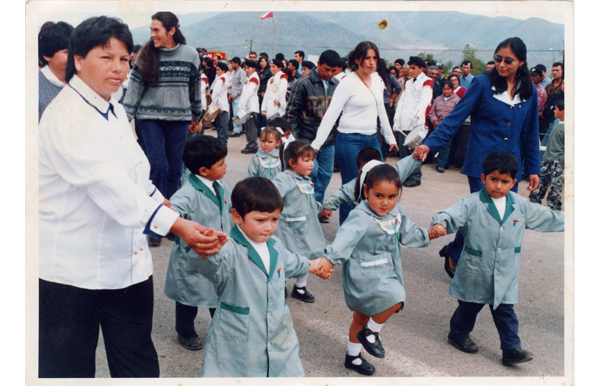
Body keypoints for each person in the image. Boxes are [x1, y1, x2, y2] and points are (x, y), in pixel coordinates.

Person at [38, 16, 226, 378]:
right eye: (105, 57)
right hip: (73, 273)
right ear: (78, 59)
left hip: (125, 266)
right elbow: (108, 184)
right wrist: (176, 224)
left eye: (124, 59)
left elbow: (134, 170)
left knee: (137, 363)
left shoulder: (111, 107)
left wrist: (161, 200)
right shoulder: (67, 116)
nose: (118, 68)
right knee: (68, 369)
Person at [414, 37, 540, 279]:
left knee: (492, 216)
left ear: (522, 62)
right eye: (498, 59)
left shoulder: (530, 90)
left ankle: (455, 250)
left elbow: (530, 132)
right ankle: (469, 261)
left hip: (511, 168)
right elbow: (454, 119)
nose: (501, 65)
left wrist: (533, 168)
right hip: (482, 165)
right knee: (484, 214)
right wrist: (429, 145)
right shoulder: (483, 84)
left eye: (508, 61)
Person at [429, 151, 564, 366]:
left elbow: (546, 216)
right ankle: (458, 334)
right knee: (469, 307)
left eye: (505, 181)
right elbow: (450, 214)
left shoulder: (520, 205)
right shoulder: (472, 203)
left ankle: (511, 349)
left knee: (505, 310)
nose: (498, 186)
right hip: (476, 271)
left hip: (505, 271)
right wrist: (440, 224)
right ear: (483, 179)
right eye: (493, 179)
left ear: (514, 182)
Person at [187, 177, 331, 377]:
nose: (269, 227)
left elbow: (291, 261)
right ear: (237, 216)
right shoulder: (229, 249)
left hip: (279, 336)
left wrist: (313, 265)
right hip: (239, 341)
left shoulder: (275, 244)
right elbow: (204, 265)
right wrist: (206, 249)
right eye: (260, 220)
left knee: (288, 374)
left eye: (274, 219)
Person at [317, 162, 433, 375]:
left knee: (360, 317)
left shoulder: (396, 211)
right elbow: (345, 238)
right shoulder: (361, 216)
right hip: (364, 274)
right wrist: (330, 259)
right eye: (378, 195)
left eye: (391, 196)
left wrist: (429, 234)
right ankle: (371, 333)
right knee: (397, 297)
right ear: (366, 191)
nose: (385, 203)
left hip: (386, 271)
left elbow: (409, 233)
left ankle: (352, 357)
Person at [123, 12, 203, 247]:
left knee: (174, 170)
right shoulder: (145, 56)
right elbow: (134, 91)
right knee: (157, 165)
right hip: (149, 118)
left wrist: (196, 116)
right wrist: (121, 122)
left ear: (171, 30)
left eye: (156, 30)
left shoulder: (190, 55)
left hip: (179, 121)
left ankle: (168, 220)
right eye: (151, 29)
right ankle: (154, 222)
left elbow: (194, 89)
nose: (152, 34)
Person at [311, 41, 399, 224]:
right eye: (367, 58)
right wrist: (315, 146)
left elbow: (381, 111)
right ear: (357, 59)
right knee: (353, 188)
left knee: (376, 185)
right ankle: (346, 233)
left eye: (375, 58)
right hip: (349, 140)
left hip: (372, 139)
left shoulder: (378, 79)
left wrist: (391, 138)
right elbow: (330, 116)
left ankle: (369, 229)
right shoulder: (347, 83)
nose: (372, 62)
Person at [164, 136, 231, 351]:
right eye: (221, 164)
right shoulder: (187, 193)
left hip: (218, 255)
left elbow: (232, 206)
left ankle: (222, 328)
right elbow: (171, 213)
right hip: (193, 258)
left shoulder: (220, 185)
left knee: (219, 293)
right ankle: (185, 331)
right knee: (188, 297)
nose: (226, 167)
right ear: (203, 170)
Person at [271, 141, 327, 303]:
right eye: (307, 160)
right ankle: (281, 284)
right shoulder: (285, 178)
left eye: (312, 160)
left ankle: (300, 287)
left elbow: (309, 201)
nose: (312, 164)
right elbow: (272, 195)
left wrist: (319, 208)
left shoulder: (306, 179)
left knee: (306, 256)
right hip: (290, 229)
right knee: (288, 257)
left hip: (307, 228)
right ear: (292, 163)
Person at [285, 49, 340, 206]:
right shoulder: (302, 83)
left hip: (328, 140)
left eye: (333, 70)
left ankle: (315, 207)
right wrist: (294, 140)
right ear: (318, 64)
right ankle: (302, 206)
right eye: (326, 69)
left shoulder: (337, 85)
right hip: (306, 138)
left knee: (325, 175)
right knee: (310, 172)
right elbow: (291, 113)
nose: (329, 73)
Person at [320, 149, 423, 219]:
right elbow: (337, 195)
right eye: (366, 170)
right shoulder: (353, 186)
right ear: (358, 169)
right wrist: (327, 207)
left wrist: (415, 156)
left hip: (389, 226)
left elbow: (404, 166)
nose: (370, 174)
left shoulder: (390, 177)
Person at [392, 56, 433, 187]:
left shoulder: (427, 81)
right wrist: (397, 119)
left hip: (416, 122)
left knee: (415, 151)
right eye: (410, 68)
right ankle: (405, 175)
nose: (411, 71)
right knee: (404, 151)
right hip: (403, 121)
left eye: (414, 68)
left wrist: (416, 114)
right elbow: (402, 101)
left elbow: (425, 100)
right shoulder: (408, 83)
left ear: (422, 68)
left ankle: (415, 177)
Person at [529, 101, 565, 211]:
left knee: (555, 187)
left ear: (562, 111)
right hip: (547, 160)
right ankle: (533, 206)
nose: (554, 111)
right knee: (540, 184)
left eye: (556, 109)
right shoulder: (556, 122)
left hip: (557, 163)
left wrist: (561, 160)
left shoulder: (568, 128)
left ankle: (554, 210)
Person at [38, 21, 74, 121]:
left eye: (75, 51)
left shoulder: (82, 81)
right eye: (67, 52)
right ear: (47, 55)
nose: (74, 56)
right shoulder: (33, 85)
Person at [429, 82, 461, 173]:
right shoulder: (438, 99)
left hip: (448, 126)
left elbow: (457, 114)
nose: (446, 91)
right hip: (437, 125)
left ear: (452, 89)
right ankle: (438, 161)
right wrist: (434, 120)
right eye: (444, 89)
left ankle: (441, 164)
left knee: (446, 145)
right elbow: (432, 112)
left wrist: (447, 123)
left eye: (448, 89)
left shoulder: (457, 100)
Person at [238, 59, 261, 153]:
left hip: (251, 106)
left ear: (254, 68)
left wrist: (241, 106)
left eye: (248, 68)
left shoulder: (254, 78)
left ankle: (253, 145)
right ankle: (250, 144)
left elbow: (248, 92)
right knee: (248, 127)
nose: (246, 69)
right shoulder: (249, 78)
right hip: (248, 106)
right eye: (245, 67)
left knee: (251, 127)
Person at [209, 61, 231, 146]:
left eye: (218, 70)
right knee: (218, 124)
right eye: (216, 70)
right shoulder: (219, 77)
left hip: (221, 104)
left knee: (222, 124)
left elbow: (217, 89)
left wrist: (214, 99)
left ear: (223, 70)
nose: (217, 71)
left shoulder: (223, 77)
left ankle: (223, 141)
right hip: (217, 103)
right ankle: (220, 140)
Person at [228, 56, 247, 137]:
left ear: (237, 63)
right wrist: (230, 94)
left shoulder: (242, 72)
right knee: (234, 113)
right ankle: (235, 129)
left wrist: (236, 94)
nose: (231, 65)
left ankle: (237, 130)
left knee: (237, 113)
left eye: (232, 63)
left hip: (238, 97)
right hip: (233, 96)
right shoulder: (235, 72)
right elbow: (234, 85)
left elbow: (242, 85)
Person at [256, 55, 272, 129]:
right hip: (257, 92)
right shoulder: (258, 70)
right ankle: (258, 128)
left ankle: (262, 128)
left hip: (264, 92)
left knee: (262, 111)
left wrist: (264, 91)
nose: (261, 63)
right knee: (258, 111)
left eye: (263, 61)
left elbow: (265, 81)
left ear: (266, 62)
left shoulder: (268, 71)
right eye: (260, 62)